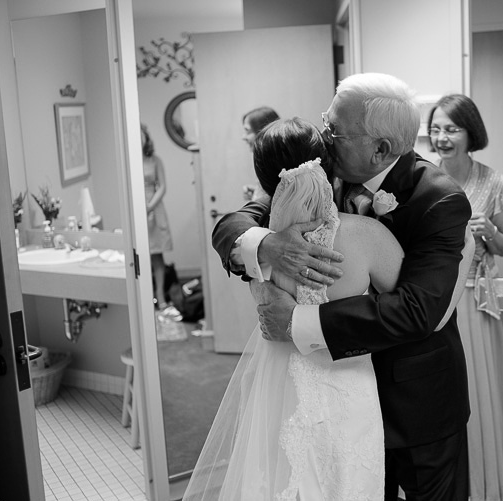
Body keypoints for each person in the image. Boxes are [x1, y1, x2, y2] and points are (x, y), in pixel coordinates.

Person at [211, 73, 475, 500]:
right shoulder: (322, 168)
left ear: (380, 150)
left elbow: (416, 311)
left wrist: (298, 322)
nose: (323, 136)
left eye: (334, 129)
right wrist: (269, 244)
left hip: (415, 400)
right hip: (337, 407)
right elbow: (233, 223)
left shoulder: (439, 200)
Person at [184, 117, 405, 500]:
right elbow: (413, 304)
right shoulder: (366, 236)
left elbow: (232, 232)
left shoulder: (259, 246)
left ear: (264, 181)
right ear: (328, 163)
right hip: (346, 384)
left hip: (278, 384)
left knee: (278, 478)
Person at [428, 94, 503, 500]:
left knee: (479, 387)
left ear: (471, 132)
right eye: (435, 129)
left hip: (476, 299)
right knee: (440, 391)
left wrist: (488, 228)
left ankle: (485, 473)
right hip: (435, 297)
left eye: (451, 129)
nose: (441, 137)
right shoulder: (423, 176)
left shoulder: (493, 181)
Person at [141, 125, 180, 320]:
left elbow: (162, 186)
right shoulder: (129, 162)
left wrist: (148, 207)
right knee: (139, 258)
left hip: (154, 208)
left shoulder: (155, 160)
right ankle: (144, 298)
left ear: (146, 138)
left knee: (157, 256)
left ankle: (160, 296)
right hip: (136, 210)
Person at [241, 106, 280, 201]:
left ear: (262, 131)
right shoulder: (268, 159)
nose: (243, 137)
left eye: (247, 131)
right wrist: (258, 192)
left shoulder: (273, 164)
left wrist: (259, 197)